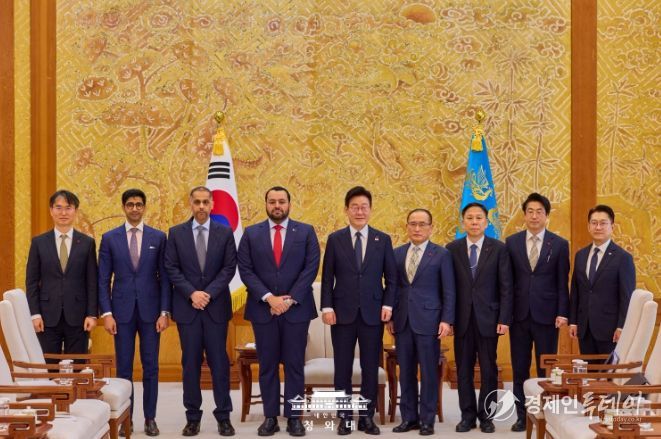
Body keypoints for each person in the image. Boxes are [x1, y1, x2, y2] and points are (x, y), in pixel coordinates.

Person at [238, 186, 320, 437]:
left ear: (289, 204)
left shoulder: (305, 232)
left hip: (297, 310)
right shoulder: (251, 233)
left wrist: (289, 299)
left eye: (281, 201)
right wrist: (270, 298)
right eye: (272, 201)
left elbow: (311, 267)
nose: (277, 206)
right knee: (268, 366)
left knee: (295, 365)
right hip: (263, 310)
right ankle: (270, 417)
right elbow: (245, 269)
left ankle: (294, 417)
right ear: (266, 204)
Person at [320, 186, 397, 436]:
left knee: (370, 367)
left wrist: (387, 305)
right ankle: (344, 417)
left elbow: (391, 279)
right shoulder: (335, 239)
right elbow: (327, 277)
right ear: (346, 210)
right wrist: (327, 306)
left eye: (364, 207)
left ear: (370, 210)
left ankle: (366, 416)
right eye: (355, 207)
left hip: (373, 314)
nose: (360, 211)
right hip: (341, 314)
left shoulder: (382, 240)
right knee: (342, 367)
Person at [98, 189, 171, 437]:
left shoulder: (158, 237)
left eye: (139, 204)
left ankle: (150, 418)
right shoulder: (110, 238)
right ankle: (125, 420)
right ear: (123, 207)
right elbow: (103, 280)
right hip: (121, 314)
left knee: (151, 367)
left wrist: (164, 312)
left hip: (152, 313)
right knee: (124, 370)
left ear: (145, 207)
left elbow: (165, 278)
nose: (135, 208)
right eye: (130, 204)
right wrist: (107, 313)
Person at [165, 186, 237, 437]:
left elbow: (229, 268)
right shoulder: (176, 233)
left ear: (212, 204)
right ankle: (192, 418)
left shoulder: (225, 232)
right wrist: (192, 293)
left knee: (220, 364)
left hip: (216, 308)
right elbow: (171, 268)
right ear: (191, 204)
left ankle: (224, 417)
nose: (201, 206)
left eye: (206, 202)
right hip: (188, 309)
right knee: (190, 364)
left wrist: (208, 294)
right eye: (197, 202)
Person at [387, 208, 455, 436]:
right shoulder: (396, 254)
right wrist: (391, 316)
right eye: (413, 224)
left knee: (428, 372)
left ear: (430, 228)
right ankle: (409, 418)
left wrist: (446, 320)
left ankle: (427, 420)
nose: (417, 228)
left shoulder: (441, 254)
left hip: (430, 321)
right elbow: (392, 288)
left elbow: (449, 290)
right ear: (407, 226)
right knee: (405, 372)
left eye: (422, 224)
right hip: (402, 321)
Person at [505, 193, 570, 432]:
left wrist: (563, 312)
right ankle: (522, 416)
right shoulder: (511, 242)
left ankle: (544, 414)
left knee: (545, 370)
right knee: (520, 369)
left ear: (546, 215)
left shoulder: (559, 244)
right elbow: (507, 283)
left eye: (539, 212)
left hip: (548, 316)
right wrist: (505, 315)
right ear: (524, 215)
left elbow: (562, 282)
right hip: (519, 316)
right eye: (530, 211)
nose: (534, 216)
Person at [446, 202, 512, 434]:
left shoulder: (499, 248)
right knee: (463, 370)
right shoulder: (452, 248)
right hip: (462, 319)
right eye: (470, 218)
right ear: (463, 222)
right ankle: (467, 416)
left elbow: (506, 287)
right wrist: (448, 318)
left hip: (489, 319)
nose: (474, 222)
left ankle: (487, 417)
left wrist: (504, 318)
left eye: (479, 218)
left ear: (486, 222)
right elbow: (448, 287)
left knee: (488, 370)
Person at [26, 190, 98, 358]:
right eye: (58, 208)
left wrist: (92, 314)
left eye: (68, 208)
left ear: (75, 211)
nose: (63, 213)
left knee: (78, 367)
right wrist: (35, 314)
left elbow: (92, 282)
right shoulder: (39, 242)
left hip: (79, 317)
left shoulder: (87, 243)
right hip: (47, 317)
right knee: (49, 367)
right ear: (51, 211)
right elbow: (31, 282)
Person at [569, 205, 635, 356]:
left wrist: (622, 327)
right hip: (584, 329)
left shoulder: (623, 258)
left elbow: (627, 297)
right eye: (594, 223)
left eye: (603, 223)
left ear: (612, 226)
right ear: (588, 226)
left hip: (610, 331)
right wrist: (573, 321)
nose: (598, 227)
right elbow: (576, 290)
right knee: (588, 371)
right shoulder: (580, 255)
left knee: (608, 370)